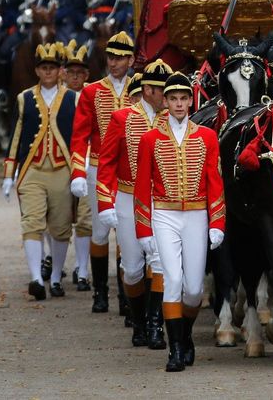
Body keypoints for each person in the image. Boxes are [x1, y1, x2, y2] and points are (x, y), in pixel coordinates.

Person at [133, 72, 225, 372]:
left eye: (184, 98)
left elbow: (215, 180)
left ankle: (184, 336)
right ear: (166, 102)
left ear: (191, 100)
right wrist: (144, 228)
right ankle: (174, 351)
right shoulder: (150, 138)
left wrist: (217, 222)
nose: (179, 104)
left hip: (197, 214)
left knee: (195, 289)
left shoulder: (207, 136)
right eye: (173, 99)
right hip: (164, 214)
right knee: (171, 280)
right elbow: (141, 187)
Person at [96, 60, 172, 350]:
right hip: (128, 198)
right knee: (132, 268)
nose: (167, 96)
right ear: (149, 90)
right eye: (162, 90)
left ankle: (155, 326)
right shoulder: (122, 118)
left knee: (160, 263)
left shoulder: (173, 120)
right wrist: (105, 202)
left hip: (161, 201)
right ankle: (138, 321)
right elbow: (106, 162)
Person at [2, 42, 79, 300]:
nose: (48, 72)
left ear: (60, 71)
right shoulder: (23, 98)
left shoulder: (73, 98)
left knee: (60, 226)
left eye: (52, 67)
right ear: (37, 70)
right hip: (32, 169)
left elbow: (79, 139)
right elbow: (16, 136)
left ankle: (56, 276)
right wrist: (8, 172)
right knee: (31, 222)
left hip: (62, 169)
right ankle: (36, 277)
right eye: (43, 67)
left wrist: (78, 171)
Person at [70, 31, 134, 313]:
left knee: (127, 233)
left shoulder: (141, 89)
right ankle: (100, 292)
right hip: (99, 167)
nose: (115, 62)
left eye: (120, 57)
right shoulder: (92, 91)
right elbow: (79, 135)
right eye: (111, 57)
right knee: (99, 231)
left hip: (131, 170)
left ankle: (125, 295)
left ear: (131, 60)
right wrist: (78, 172)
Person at [61, 40, 93, 290]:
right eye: (70, 72)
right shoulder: (54, 96)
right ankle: (52, 260)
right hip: (58, 160)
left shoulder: (92, 95)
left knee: (85, 217)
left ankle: (82, 269)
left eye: (79, 73)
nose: (75, 77)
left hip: (85, 158)